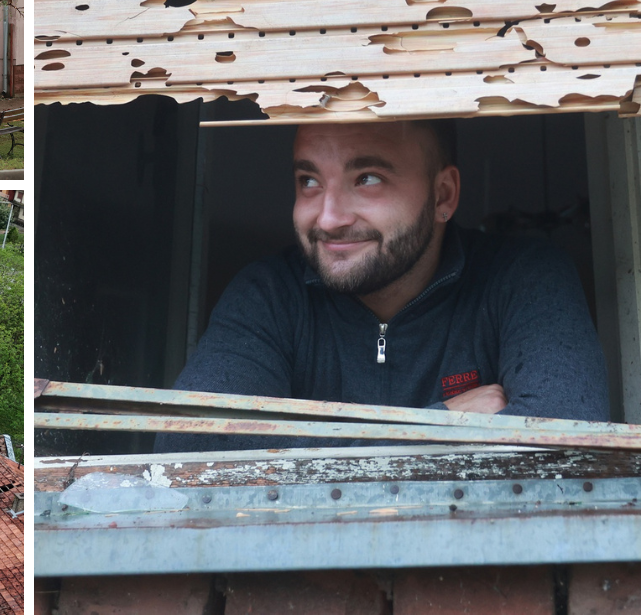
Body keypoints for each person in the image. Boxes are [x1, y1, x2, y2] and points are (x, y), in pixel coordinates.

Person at [156, 119, 609, 453]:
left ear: (443, 196)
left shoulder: (523, 276)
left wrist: (293, 445)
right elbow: (194, 447)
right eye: (309, 181)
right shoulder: (269, 295)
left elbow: (568, 440)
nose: (329, 218)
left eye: (367, 178)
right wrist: (444, 422)